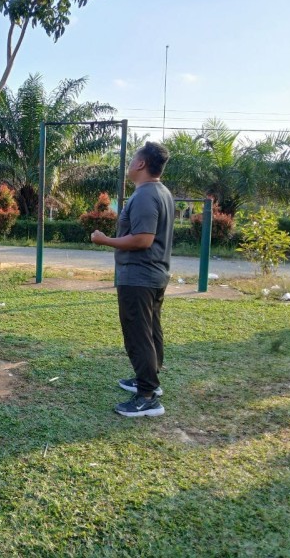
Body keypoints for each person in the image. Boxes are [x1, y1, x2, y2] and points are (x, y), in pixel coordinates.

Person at [90, 141, 174, 418]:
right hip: (153, 274)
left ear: (141, 163)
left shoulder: (145, 195)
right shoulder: (162, 192)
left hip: (139, 276)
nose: (129, 164)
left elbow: (143, 239)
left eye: (131, 159)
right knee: (150, 330)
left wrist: (105, 240)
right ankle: (148, 380)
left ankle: (147, 396)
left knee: (138, 334)